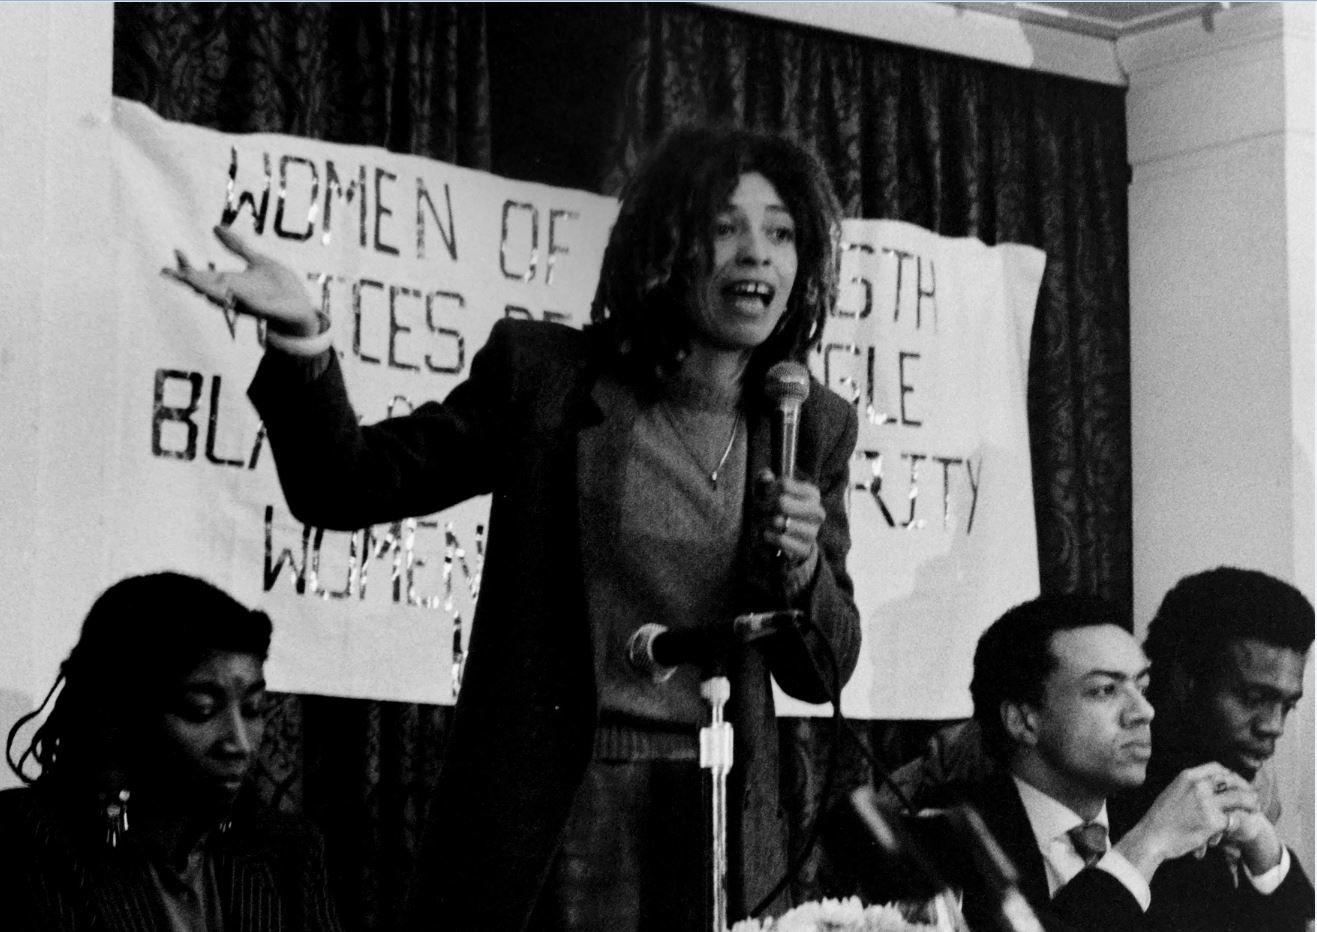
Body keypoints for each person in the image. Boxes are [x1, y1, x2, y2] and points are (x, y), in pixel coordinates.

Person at [164, 126, 862, 930]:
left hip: (720, 813)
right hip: (558, 812)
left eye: (780, 234)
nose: (757, 255)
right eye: (725, 227)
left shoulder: (809, 424)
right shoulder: (549, 381)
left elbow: (822, 672)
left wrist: (804, 571)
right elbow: (345, 484)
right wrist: (303, 338)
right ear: (665, 243)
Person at [0, 571, 342, 931]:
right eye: (201, 710)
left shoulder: (287, 849)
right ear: (118, 714)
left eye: (254, 708)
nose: (239, 744)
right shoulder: (28, 842)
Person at [949, 593, 1264, 932]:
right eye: (1105, 690)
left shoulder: (1172, 818)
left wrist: (1261, 844)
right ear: (1024, 721)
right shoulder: (948, 842)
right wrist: (1143, 849)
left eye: (1142, 687)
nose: (1144, 712)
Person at [1112, 566, 1314, 930]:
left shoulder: (1249, 780)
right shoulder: (1102, 784)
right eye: (1254, 698)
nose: (1274, 726)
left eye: (1288, 705)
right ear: (1184, 680)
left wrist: (1262, 844)